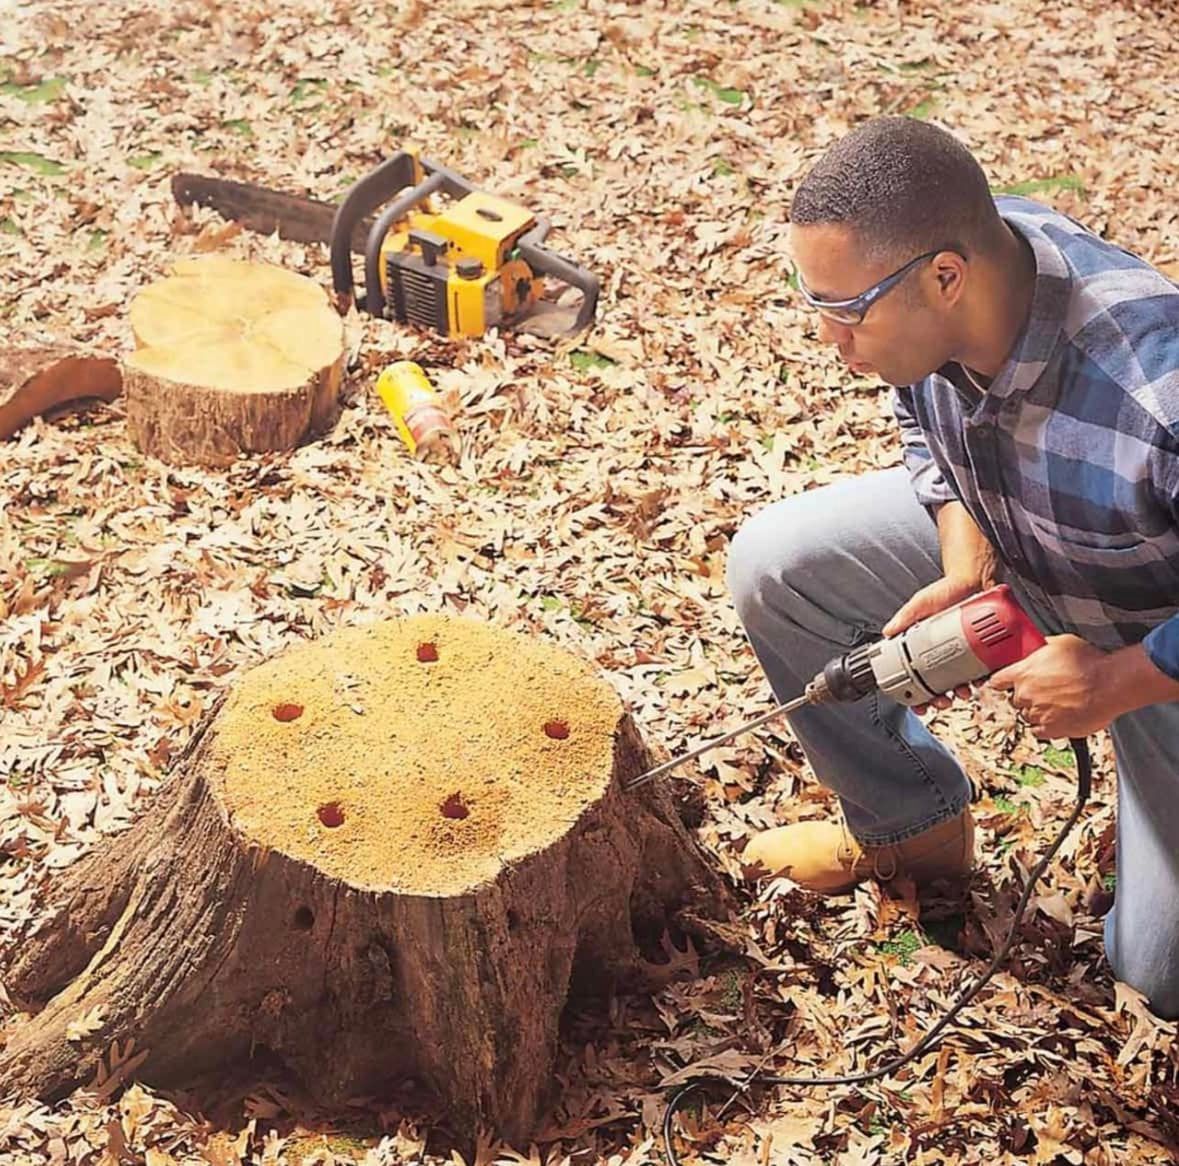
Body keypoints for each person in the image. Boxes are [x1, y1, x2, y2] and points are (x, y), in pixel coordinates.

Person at [728, 116, 1179, 1016]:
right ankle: (912, 833)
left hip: (1153, 639)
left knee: (1155, 979)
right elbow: (919, 423)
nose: (829, 338)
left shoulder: (1153, 393)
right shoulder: (948, 278)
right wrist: (964, 553)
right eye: (812, 304)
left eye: (845, 311)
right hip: (1033, 544)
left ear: (943, 278)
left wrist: (1119, 679)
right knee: (777, 567)